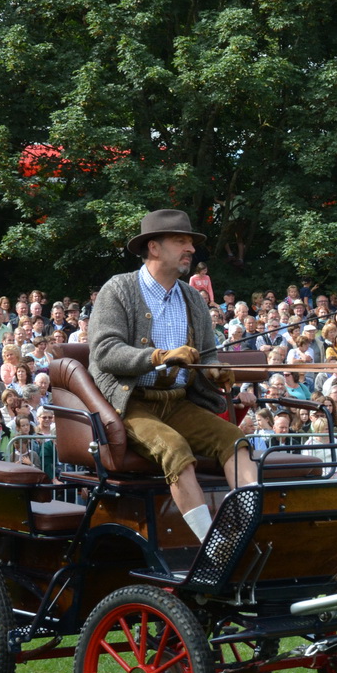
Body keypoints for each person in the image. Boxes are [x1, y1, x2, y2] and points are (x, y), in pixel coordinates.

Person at [87, 209, 256, 543]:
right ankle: (212, 546)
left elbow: (206, 356)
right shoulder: (118, 289)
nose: (190, 249)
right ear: (154, 247)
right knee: (175, 449)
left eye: (190, 242)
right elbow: (105, 352)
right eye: (181, 241)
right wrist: (161, 357)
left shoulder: (193, 297)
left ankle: (249, 526)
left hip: (178, 403)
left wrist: (215, 370)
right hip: (132, 403)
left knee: (235, 440)